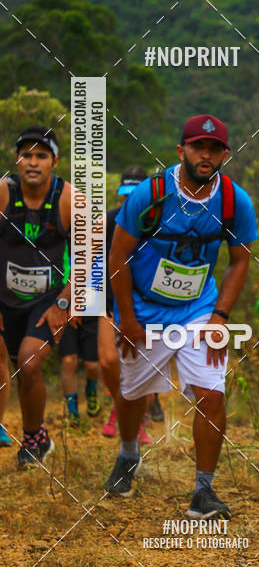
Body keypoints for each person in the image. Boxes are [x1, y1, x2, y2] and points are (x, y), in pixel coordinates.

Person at [105, 115, 258, 518]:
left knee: (212, 394)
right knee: (133, 393)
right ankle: (127, 455)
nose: (205, 155)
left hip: (198, 310)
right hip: (143, 309)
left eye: (214, 149)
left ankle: (203, 492)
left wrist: (220, 315)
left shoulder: (233, 201)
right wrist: (127, 317)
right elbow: (117, 256)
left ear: (225, 154)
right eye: (197, 147)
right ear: (181, 151)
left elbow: (240, 261)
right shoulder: (149, 194)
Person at [0, 127, 76, 467]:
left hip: (47, 300)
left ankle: (34, 438)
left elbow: (92, 257)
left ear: (54, 161)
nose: (32, 162)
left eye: (41, 155)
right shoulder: (3, 193)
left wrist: (64, 303)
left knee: (29, 363)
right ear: (17, 159)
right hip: (4, 297)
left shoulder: (69, 199)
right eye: (26, 155)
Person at [99, 166, 156, 446]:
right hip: (109, 300)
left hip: (145, 304)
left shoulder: (158, 224)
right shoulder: (109, 220)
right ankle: (120, 407)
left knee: (139, 367)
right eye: (126, 196)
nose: (129, 202)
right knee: (108, 361)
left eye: (136, 196)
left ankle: (138, 420)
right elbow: (92, 261)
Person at [57, 316, 101, 426]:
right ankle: (73, 413)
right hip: (66, 313)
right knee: (68, 361)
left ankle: (91, 390)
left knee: (92, 365)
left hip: (92, 311)